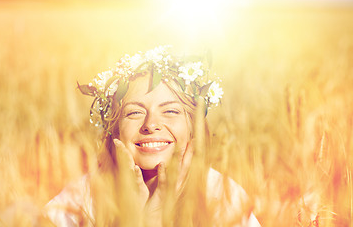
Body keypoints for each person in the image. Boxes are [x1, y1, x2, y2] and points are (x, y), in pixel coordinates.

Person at [45, 46, 260, 226]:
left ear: (193, 126)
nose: (151, 125)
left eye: (171, 111)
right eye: (134, 113)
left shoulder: (223, 197)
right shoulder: (81, 199)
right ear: (115, 129)